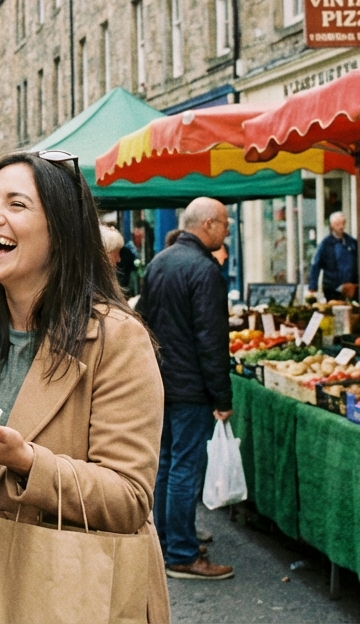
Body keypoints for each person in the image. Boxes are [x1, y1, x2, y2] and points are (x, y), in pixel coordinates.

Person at [0, 151, 168, 622]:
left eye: (16, 204)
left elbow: (129, 497)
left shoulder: (117, 338)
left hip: (73, 590)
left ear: (62, 229)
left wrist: (24, 461)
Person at [136, 197, 235, 580]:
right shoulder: (204, 270)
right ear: (207, 224)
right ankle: (180, 551)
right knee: (184, 468)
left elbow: (144, 321)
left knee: (166, 465)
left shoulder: (160, 261)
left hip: (162, 379)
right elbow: (212, 340)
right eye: (224, 223)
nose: (227, 230)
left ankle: (165, 540)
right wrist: (222, 397)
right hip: (190, 384)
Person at [308, 211, 358, 299]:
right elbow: (316, 264)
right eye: (338, 224)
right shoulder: (325, 244)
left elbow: (359, 263)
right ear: (332, 225)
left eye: (343, 223)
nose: (341, 227)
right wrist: (313, 286)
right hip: (332, 287)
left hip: (351, 286)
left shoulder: (352, 242)